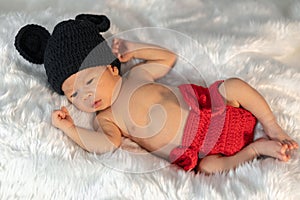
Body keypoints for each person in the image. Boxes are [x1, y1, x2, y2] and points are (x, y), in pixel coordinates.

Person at [14, 14, 298, 174]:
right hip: (199, 151)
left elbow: (166, 59)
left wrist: (136, 50)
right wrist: (69, 128)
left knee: (233, 86)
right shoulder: (108, 118)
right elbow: (104, 144)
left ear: (112, 69)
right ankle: (256, 150)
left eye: (89, 80)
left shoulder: (135, 75)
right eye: (73, 94)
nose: (85, 96)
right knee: (210, 169)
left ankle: (273, 127)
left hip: (214, 111)